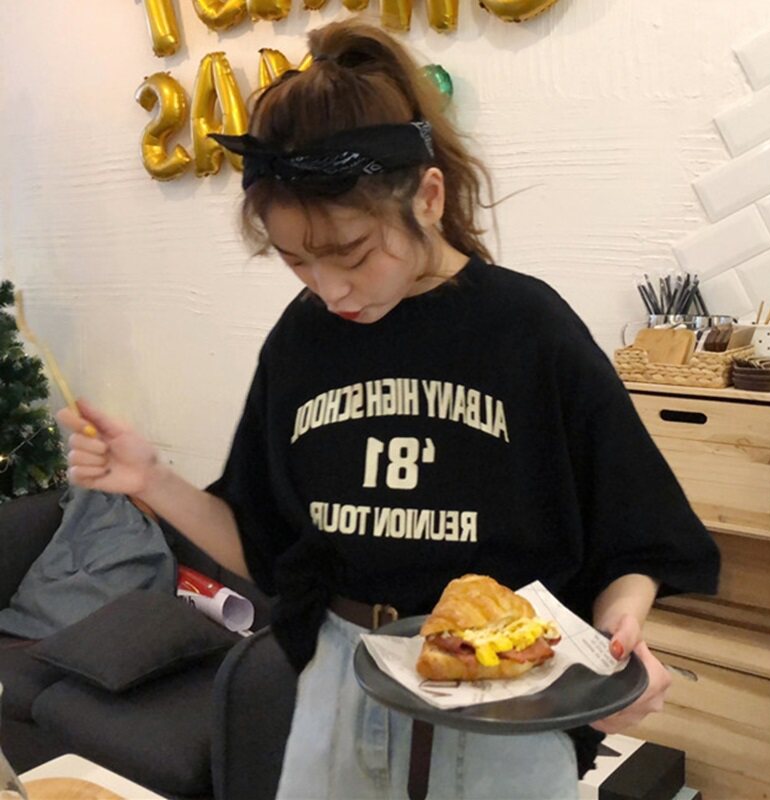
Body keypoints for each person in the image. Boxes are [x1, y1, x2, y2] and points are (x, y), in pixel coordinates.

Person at [58, 18, 720, 800]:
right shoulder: (302, 341)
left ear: (428, 197)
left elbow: (634, 532)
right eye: (297, 261)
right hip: (345, 682)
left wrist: (619, 632)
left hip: (504, 694)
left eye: (353, 253)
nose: (330, 288)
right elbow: (266, 545)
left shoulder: (527, 329)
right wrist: (150, 480)